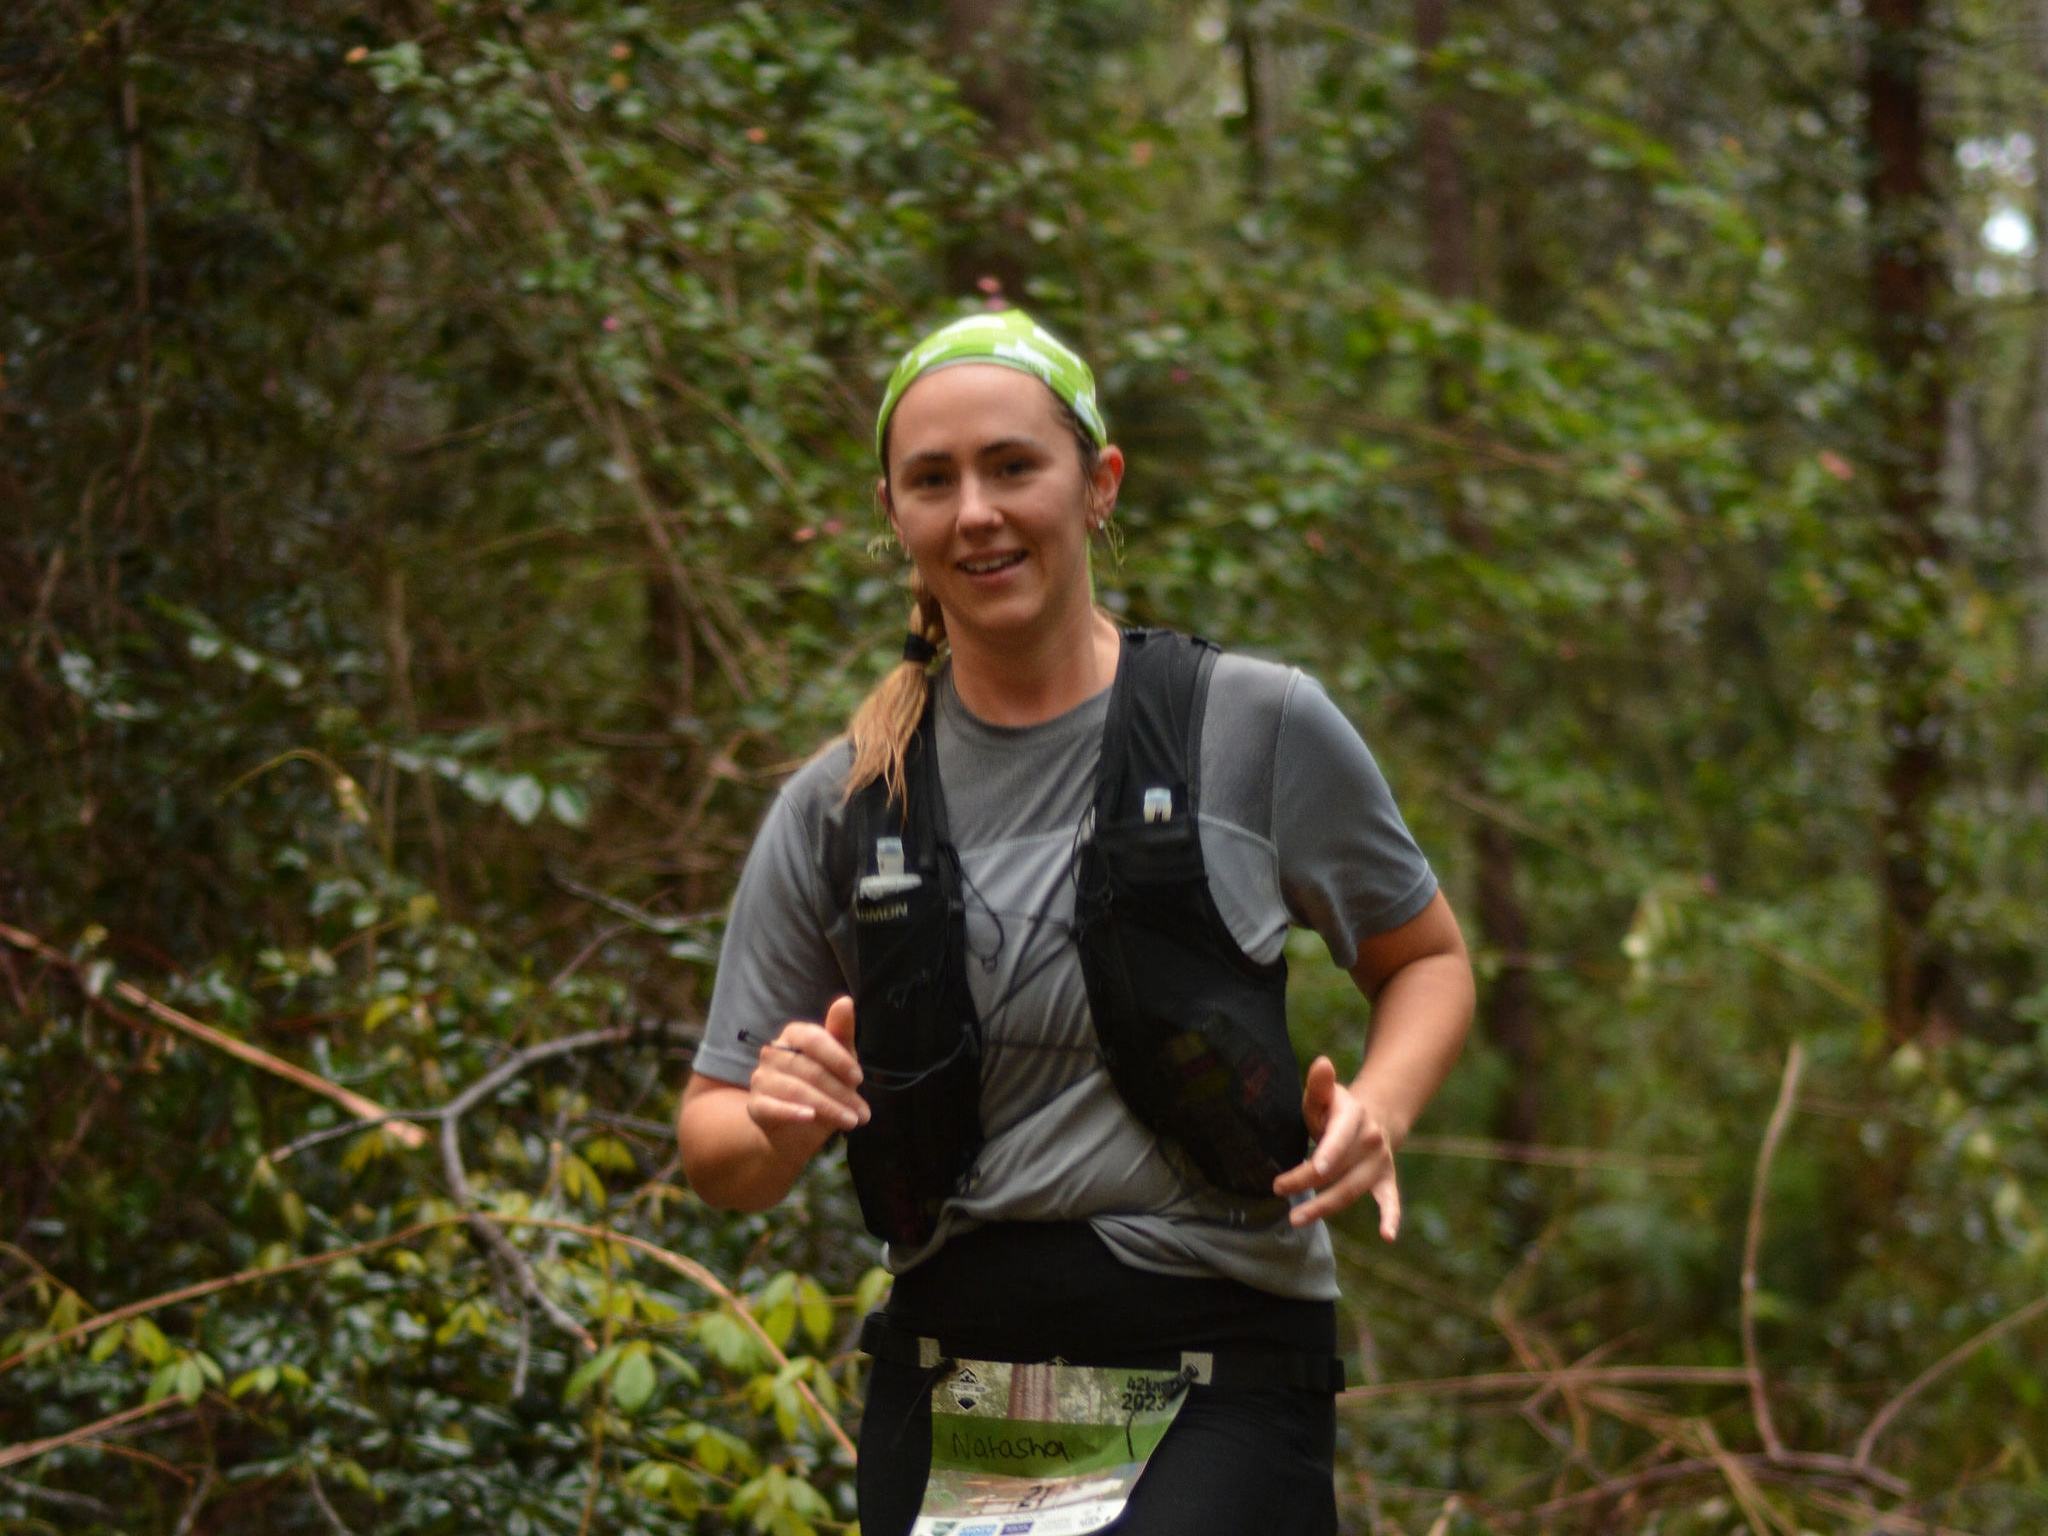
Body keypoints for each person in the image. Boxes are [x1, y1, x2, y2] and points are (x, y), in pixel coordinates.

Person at [676, 309, 1474, 1536]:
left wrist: (1381, 1108)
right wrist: (776, 1122)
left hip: (1217, 1357)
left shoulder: (1251, 727)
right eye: (932, 481)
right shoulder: (843, 806)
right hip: (954, 1375)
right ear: (892, 514)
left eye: (1012, 467)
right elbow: (712, 1137)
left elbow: (1423, 958)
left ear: (1097, 483)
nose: (975, 513)